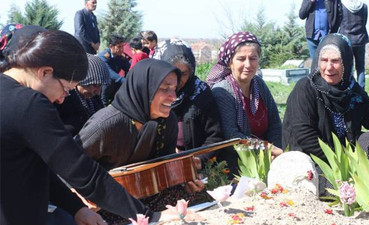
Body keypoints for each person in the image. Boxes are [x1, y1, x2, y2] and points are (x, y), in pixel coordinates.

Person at [0, 28, 183, 225]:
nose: (62, 100)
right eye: (66, 89)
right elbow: (84, 173)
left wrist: (76, 208)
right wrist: (147, 216)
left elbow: (37, 167)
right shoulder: (30, 104)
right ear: (44, 72)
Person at [75, 58, 205, 211]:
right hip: (107, 204)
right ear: (143, 88)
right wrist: (83, 198)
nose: (173, 97)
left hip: (148, 196)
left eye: (174, 89)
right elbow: (67, 166)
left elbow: (164, 166)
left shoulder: (168, 120)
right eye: (165, 89)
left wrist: (185, 179)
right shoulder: (106, 125)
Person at [282, 33, 369, 163]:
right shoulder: (306, 88)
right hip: (314, 160)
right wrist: (340, 163)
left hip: (346, 154)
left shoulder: (351, 88)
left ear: (346, 63)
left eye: (335, 61)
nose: (329, 67)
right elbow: (305, 136)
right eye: (324, 60)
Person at [153, 39, 238, 172]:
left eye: (184, 74)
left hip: (193, 168)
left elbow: (215, 136)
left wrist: (198, 160)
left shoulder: (200, 93)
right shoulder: (151, 95)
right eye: (173, 72)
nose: (178, 79)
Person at [206, 32, 283, 157]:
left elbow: (275, 123)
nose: (248, 65)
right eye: (241, 59)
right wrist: (267, 149)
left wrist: (276, 153)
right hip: (238, 163)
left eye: (253, 58)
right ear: (230, 62)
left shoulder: (259, 84)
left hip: (269, 157)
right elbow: (232, 137)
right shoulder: (222, 92)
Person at [56, 53, 110, 136]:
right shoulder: (63, 100)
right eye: (95, 85)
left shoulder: (94, 99)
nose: (98, 92)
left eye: (100, 86)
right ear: (80, 81)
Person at [338, 0, 369, 89]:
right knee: (360, 68)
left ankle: (348, 89)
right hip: (360, 40)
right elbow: (364, 22)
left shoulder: (341, 5)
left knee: (347, 67)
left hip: (346, 40)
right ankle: (361, 90)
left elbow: (339, 21)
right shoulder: (364, 6)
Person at [98, 34, 130, 105]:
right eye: (119, 47)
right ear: (111, 46)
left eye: (122, 46)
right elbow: (109, 73)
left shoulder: (121, 57)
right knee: (109, 80)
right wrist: (124, 81)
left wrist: (130, 80)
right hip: (101, 85)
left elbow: (129, 69)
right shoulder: (103, 57)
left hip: (113, 85)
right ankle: (103, 104)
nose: (122, 49)